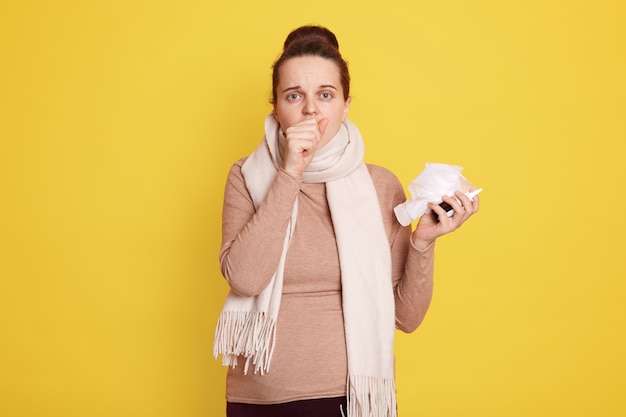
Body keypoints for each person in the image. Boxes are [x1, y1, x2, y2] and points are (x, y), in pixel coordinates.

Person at [213, 25, 479, 417]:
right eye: (293, 96)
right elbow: (246, 279)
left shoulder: (380, 186)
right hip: (260, 400)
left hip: (351, 398)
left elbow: (405, 318)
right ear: (275, 106)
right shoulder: (247, 176)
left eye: (325, 95)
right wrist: (290, 173)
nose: (310, 110)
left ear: (346, 104)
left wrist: (422, 243)